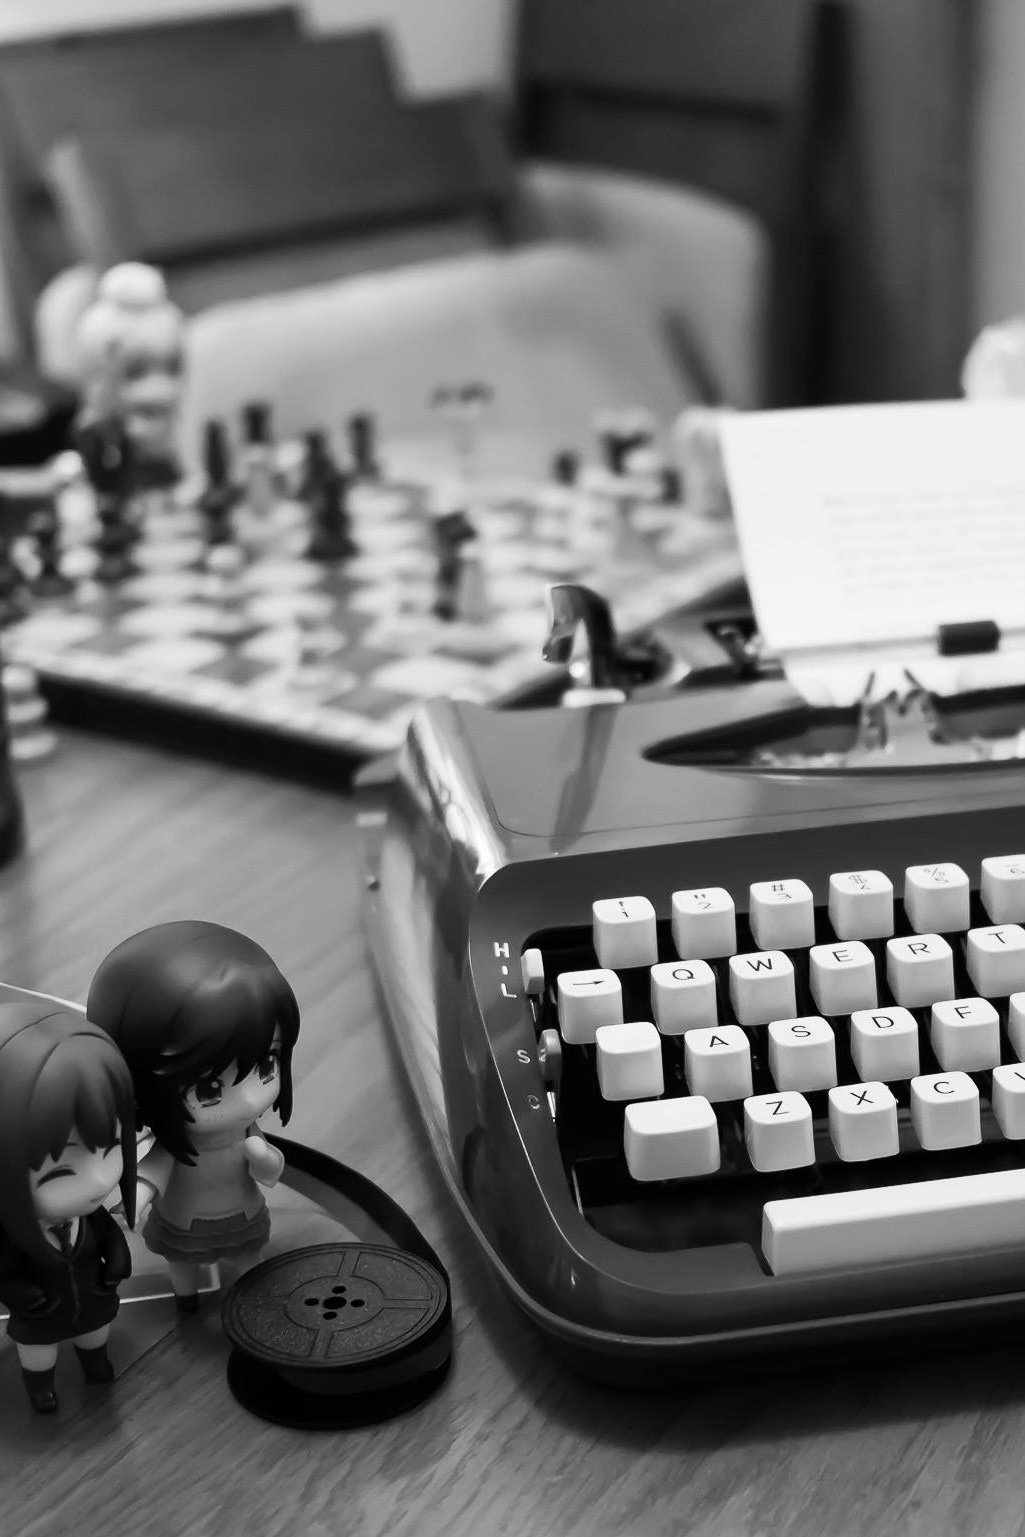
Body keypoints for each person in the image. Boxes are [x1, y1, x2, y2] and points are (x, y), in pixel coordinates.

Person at [86, 921, 300, 1309]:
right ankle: (185, 1298)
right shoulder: (174, 1147)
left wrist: (264, 1158)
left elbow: (271, 1173)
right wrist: (134, 1196)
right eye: (209, 1089)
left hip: (242, 1213)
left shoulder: (246, 1135)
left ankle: (259, 1301)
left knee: (249, 1259)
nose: (251, 1100)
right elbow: (155, 1171)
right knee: (183, 1263)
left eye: (267, 1065)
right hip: (185, 1220)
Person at [0, 1001, 137, 1414]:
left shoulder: (89, 1216)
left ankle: (95, 1363)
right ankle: (41, 1389)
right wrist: (23, 1296)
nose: (98, 1181)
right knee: (38, 1356)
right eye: (60, 1172)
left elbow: (110, 1239)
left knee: (94, 1339)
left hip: (92, 1303)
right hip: (41, 1316)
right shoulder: (11, 1233)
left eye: (111, 1150)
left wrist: (116, 1262)